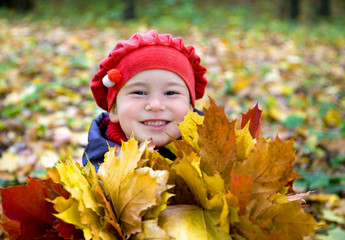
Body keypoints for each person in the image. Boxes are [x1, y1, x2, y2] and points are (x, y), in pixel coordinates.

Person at [82, 30, 208, 171]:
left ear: (190, 107)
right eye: (139, 92)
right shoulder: (99, 166)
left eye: (171, 92)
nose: (155, 105)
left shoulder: (212, 155)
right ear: (114, 110)